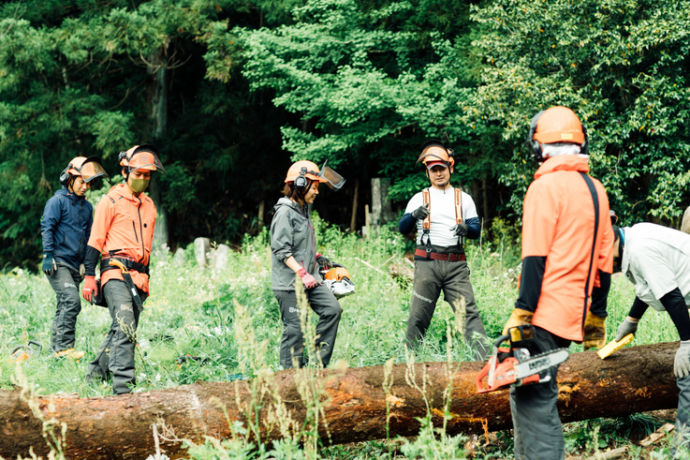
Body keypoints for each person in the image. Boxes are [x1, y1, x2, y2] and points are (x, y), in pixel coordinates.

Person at [502, 106, 614, 459]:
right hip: (571, 317)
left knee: (536, 403)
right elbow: (605, 263)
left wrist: (522, 312)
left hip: (543, 314)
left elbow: (535, 257)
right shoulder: (596, 189)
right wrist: (597, 315)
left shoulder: (544, 187)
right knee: (525, 392)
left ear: (539, 146)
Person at [81, 145, 164, 395]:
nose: (142, 179)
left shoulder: (150, 205)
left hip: (139, 278)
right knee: (126, 325)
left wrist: (145, 281)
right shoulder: (110, 201)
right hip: (114, 272)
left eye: (147, 175)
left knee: (121, 329)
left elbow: (146, 248)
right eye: (138, 173)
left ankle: (95, 375)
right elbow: (95, 240)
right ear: (126, 171)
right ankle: (124, 390)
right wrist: (88, 277)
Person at [398, 141, 488, 357]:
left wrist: (466, 228)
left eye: (442, 169)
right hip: (427, 263)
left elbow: (476, 230)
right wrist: (413, 216)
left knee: (468, 313)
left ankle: (484, 359)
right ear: (428, 173)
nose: (438, 174)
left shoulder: (463, 198)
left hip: (455, 264)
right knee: (419, 315)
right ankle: (409, 360)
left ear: (450, 168)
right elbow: (402, 228)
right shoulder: (419, 198)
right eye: (433, 170)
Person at [611, 223, 690, 448]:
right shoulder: (635, 239)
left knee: (687, 375)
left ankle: (682, 448)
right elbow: (651, 285)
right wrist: (632, 320)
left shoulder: (639, 250)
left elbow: (672, 296)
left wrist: (687, 344)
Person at [270, 160, 344, 369]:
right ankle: (289, 377)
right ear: (300, 185)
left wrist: (318, 258)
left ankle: (318, 366)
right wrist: (303, 273)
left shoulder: (303, 211)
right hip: (290, 283)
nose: (317, 192)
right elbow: (282, 250)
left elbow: (301, 245)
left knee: (332, 310)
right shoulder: (284, 212)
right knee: (296, 329)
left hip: (311, 278)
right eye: (315, 186)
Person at [40, 157, 107, 359]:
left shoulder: (87, 208)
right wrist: (47, 254)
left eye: (88, 183)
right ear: (69, 178)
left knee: (64, 305)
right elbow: (47, 227)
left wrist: (86, 266)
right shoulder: (57, 202)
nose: (85, 187)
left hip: (74, 264)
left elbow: (89, 239)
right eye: (81, 181)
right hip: (57, 262)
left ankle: (55, 352)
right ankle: (64, 348)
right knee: (71, 301)